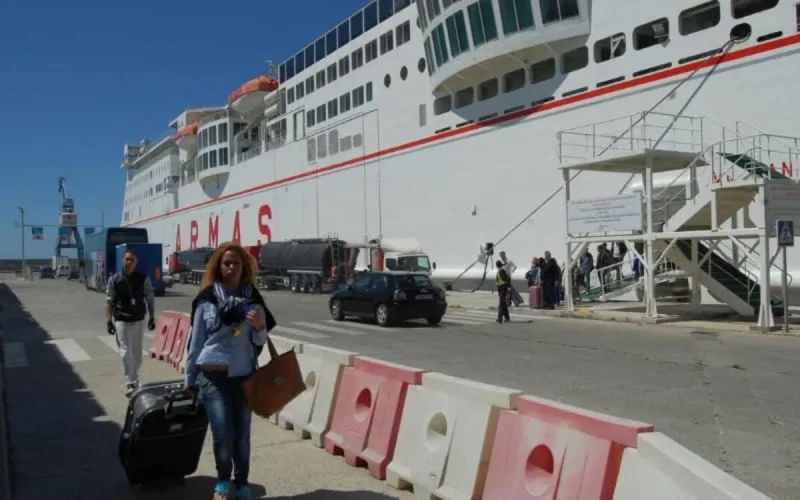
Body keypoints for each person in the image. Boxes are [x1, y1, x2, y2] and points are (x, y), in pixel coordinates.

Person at [183, 242, 276, 500]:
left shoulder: (253, 300)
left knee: (242, 437)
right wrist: (189, 378)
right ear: (218, 267)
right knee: (223, 433)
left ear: (244, 267)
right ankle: (223, 481)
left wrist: (258, 326)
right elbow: (196, 343)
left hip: (244, 377)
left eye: (236, 263)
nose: (231, 267)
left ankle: (242, 482)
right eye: (226, 263)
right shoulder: (207, 300)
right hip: (212, 378)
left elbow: (259, 342)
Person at [105, 249, 156, 397]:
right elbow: (109, 301)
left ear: (136, 262)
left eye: (132, 259)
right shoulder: (114, 279)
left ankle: (135, 379)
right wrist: (109, 321)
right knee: (126, 352)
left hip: (138, 320)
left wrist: (152, 317)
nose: (129, 262)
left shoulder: (143, 279)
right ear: (122, 260)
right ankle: (130, 382)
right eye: (126, 259)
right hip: (122, 320)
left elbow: (150, 298)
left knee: (137, 354)